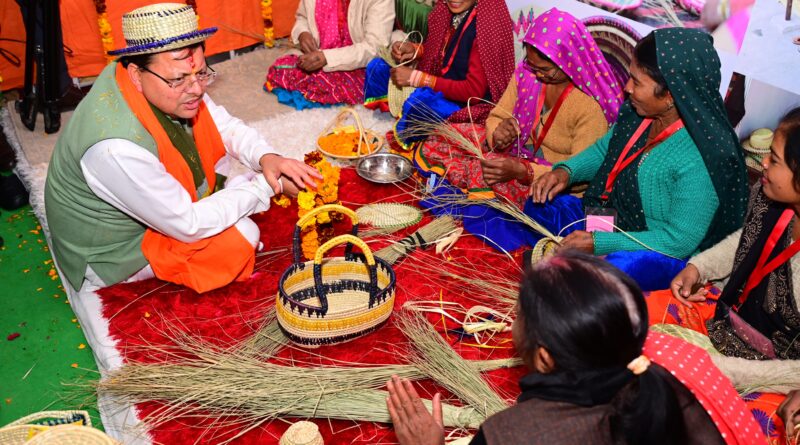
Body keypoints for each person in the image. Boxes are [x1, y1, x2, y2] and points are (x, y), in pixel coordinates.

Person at [44, 3, 321, 294]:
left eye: (201, 74)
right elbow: (189, 224)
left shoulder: (141, 75)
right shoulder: (116, 148)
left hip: (149, 209)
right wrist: (266, 186)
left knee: (234, 194)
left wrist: (267, 157)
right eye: (178, 79)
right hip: (113, 253)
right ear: (137, 73)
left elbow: (222, 125)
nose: (197, 89)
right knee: (242, 235)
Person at [385, 250, 764, 445]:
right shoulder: (670, 379)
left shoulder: (513, 434)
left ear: (544, 357)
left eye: (519, 315)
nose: (512, 318)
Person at [528, 28, 748, 290]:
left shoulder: (703, 156)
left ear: (670, 95)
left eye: (637, 81)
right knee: (539, 206)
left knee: (614, 271)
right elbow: (603, 152)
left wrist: (600, 243)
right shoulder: (637, 113)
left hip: (658, 249)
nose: (627, 87)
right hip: (613, 221)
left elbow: (678, 240)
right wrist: (565, 172)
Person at [645, 107, 800, 444]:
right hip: (729, 321)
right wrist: (697, 268)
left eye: (774, 161)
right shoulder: (771, 198)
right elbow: (749, 239)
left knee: (717, 427)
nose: (763, 168)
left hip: (776, 374)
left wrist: (723, 371)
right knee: (639, 320)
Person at [413, 8, 622, 207]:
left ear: (567, 61)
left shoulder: (589, 107)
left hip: (550, 182)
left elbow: (580, 174)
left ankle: (470, 189)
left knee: (481, 169)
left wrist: (524, 171)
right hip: (516, 155)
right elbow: (496, 115)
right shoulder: (527, 74)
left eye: (545, 70)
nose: (537, 74)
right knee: (444, 135)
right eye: (533, 66)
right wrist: (499, 133)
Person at [363, 0, 515, 150]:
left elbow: (473, 92)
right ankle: (387, 120)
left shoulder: (486, 25)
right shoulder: (446, 10)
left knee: (420, 106)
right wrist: (416, 51)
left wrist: (416, 79)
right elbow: (444, 52)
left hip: (464, 102)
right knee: (377, 67)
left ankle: (403, 140)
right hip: (440, 81)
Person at [265, 0, 396, 109]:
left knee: (329, 87)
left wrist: (326, 58)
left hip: (355, 61)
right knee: (283, 69)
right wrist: (302, 33)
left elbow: (374, 47)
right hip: (319, 52)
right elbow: (302, 17)